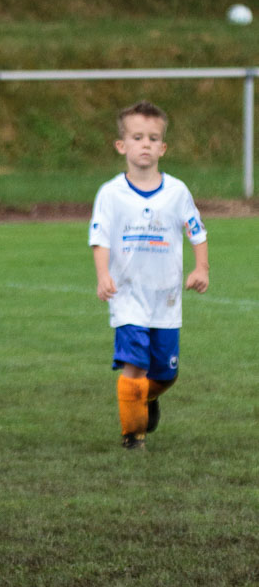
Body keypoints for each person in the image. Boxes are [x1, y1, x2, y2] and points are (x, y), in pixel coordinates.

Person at [89, 100, 209, 450]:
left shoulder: (177, 192)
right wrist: (102, 276)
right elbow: (99, 239)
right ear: (121, 145)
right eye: (137, 137)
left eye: (153, 138)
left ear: (163, 147)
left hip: (166, 297)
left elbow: (197, 232)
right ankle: (133, 435)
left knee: (166, 374)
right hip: (127, 295)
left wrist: (201, 267)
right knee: (134, 366)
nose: (145, 144)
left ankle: (148, 399)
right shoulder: (111, 193)